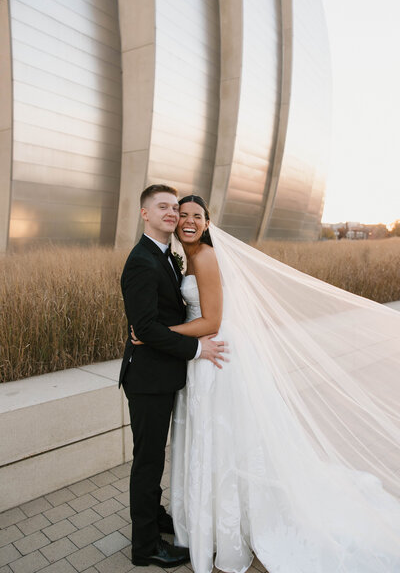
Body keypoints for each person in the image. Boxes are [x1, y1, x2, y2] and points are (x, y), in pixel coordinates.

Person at [132, 195, 400, 573]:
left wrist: (155, 333)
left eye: (197, 216)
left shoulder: (206, 257)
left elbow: (211, 321)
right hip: (200, 356)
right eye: (183, 215)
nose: (188, 221)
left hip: (216, 356)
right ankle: (213, 514)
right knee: (214, 439)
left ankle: (235, 521)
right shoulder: (181, 258)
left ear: (208, 224)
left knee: (222, 438)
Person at [119, 185, 225, 567]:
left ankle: (154, 516)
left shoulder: (168, 255)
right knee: (147, 461)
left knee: (156, 457)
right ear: (144, 213)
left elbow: (170, 317)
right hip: (147, 379)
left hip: (165, 373)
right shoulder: (141, 260)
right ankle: (145, 546)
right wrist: (197, 348)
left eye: (174, 208)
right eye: (163, 207)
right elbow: (145, 326)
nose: (173, 214)